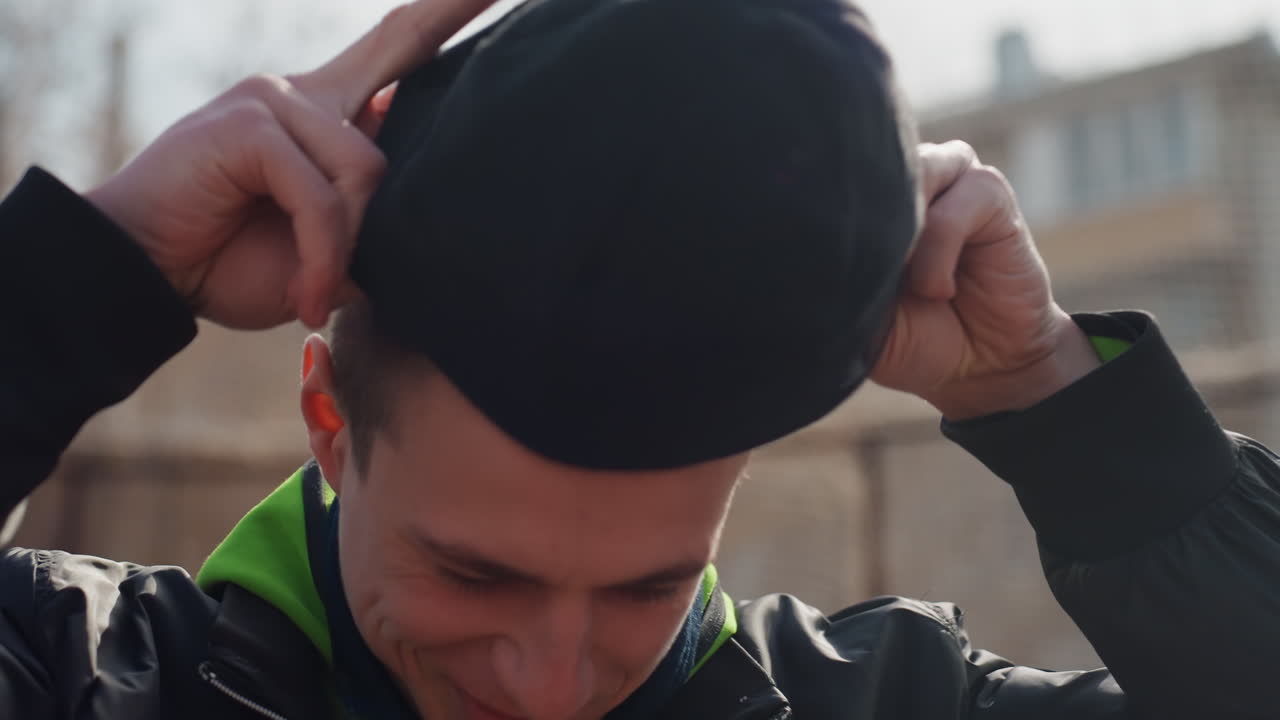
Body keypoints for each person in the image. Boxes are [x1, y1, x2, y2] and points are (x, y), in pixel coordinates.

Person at [1, 0, 1277, 718]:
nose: (551, 690)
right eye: (468, 574)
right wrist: (85, 275)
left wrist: (1054, 400)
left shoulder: (888, 706)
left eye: (641, 589)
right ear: (330, 421)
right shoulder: (89, 677)